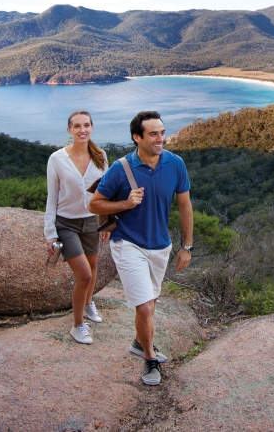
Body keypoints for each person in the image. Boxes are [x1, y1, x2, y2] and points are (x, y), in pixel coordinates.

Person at [89, 111, 193, 386]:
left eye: (162, 132)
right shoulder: (122, 168)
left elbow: (185, 205)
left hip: (161, 245)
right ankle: (149, 357)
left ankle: (139, 341)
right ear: (137, 137)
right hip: (127, 242)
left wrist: (187, 246)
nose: (161, 138)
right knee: (145, 307)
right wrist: (125, 203)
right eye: (154, 134)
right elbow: (95, 204)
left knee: (151, 303)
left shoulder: (175, 163)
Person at [45, 111, 109, 345]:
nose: (82, 130)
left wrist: (105, 221)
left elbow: (105, 193)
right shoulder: (57, 159)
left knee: (93, 266)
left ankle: (89, 302)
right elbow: (52, 198)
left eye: (86, 125)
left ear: (92, 127)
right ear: (69, 130)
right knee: (84, 274)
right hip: (67, 223)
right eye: (77, 126)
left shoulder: (100, 155)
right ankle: (78, 325)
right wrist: (50, 233)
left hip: (91, 221)